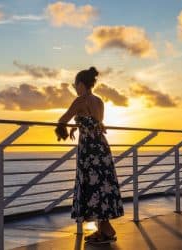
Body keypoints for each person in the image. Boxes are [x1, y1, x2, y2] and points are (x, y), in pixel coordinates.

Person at [55, 66, 124, 244]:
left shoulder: (80, 100)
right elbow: (94, 122)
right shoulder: (99, 101)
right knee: (102, 186)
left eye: (75, 84)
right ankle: (104, 230)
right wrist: (77, 126)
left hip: (89, 150)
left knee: (92, 186)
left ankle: (105, 231)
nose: (74, 88)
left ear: (81, 84)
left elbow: (62, 119)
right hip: (101, 147)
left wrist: (62, 129)